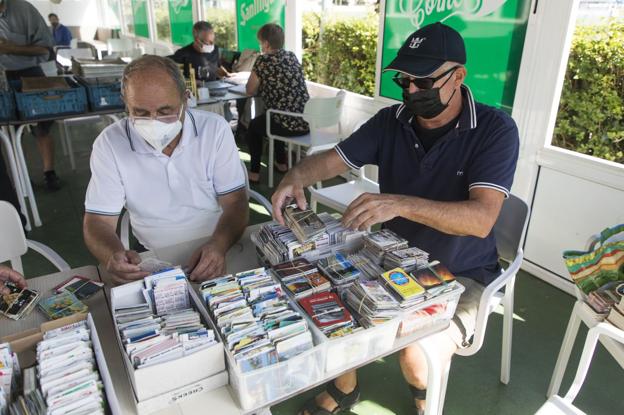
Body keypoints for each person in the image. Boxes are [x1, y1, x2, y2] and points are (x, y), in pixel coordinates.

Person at [271, 22, 519, 414]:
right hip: (389, 258)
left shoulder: (494, 129)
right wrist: (294, 176)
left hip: (463, 271)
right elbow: (335, 158)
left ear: (458, 76)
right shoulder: (393, 120)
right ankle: (345, 386)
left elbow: (481, 220)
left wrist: (400, 203)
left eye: (423, 82)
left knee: (415, 356)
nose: (411, 92)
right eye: (405, 82)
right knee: (330, 306)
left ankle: (425, 402)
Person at [83, 55, 248, 285]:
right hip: (151, 253)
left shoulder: (214, 130)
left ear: (185, 98)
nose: (154, 122)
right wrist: (112, 255)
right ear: (125, 103)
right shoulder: (110, 144)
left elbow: (235, 202)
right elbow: (98, 221)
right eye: (140, 113)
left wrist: (219, 244)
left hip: (219, 241)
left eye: (165, 111)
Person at [0, 0, 61, 191]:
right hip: (2, 78)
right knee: (8, 134)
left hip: (28, 73)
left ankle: (49, 173)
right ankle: (19, 178)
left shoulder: (23, 9)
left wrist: (11, 48)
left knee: (41, 127)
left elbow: (46, 50)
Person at [244, 23, 309, 183]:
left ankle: (254, 173)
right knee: (273, 117)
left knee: (254, 126)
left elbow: (250, 90)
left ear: (266, 44)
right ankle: (280, 163)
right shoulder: (291, 56)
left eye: (260, 42)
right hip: (307, 122)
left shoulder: (263, 60)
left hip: (286, 125)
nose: (260, 46)